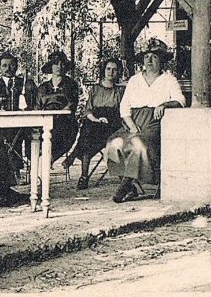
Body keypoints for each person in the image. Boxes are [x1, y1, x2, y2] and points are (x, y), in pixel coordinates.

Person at [106, 39, 185, 203]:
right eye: (147, 57)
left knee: (139, 144)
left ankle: (125, 185)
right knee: (113, 143)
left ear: (161, 60)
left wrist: (164, 104)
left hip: (154, 123)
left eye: (154, 57)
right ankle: (130, 185)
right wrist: (131, 125)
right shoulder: (135, 80)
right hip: (133, 121)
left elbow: (181, 100)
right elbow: (124, 106)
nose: (149, 60)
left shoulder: (168, 79)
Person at [65, 57, 124, 190]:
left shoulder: (119, 91)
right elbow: (88, 110)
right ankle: (83, 176)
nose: (111, 72)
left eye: (114, 70)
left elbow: (121, 112)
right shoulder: (95, 89)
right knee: (89, 128)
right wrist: (96, 119)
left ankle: (76, 159)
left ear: (118, 72)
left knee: (88, 134)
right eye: (108, 69)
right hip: (95, 122)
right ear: (104, 71)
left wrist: (105, 120)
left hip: (111, 124)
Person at [0, 52, 37, 176]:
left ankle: (28, 169)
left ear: (16, 66)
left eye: (11, 65)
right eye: (4, 66)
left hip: (23, 123)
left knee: (31, 133)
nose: (8, 69)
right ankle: (5, 172)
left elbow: (35, 102)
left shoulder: (26, 84)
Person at [34, 50, 81, 165]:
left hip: (64, 122)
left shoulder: (71, 85)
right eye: (56, 63)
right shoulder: (43, 87)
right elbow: (38, 107)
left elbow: (72, 104)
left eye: (62, 63)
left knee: (63, 130)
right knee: (33, 134)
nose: (59, 66)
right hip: (44, 121)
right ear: (51, 66)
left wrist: (58, 114)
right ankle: (38, 162)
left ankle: (48, 159)